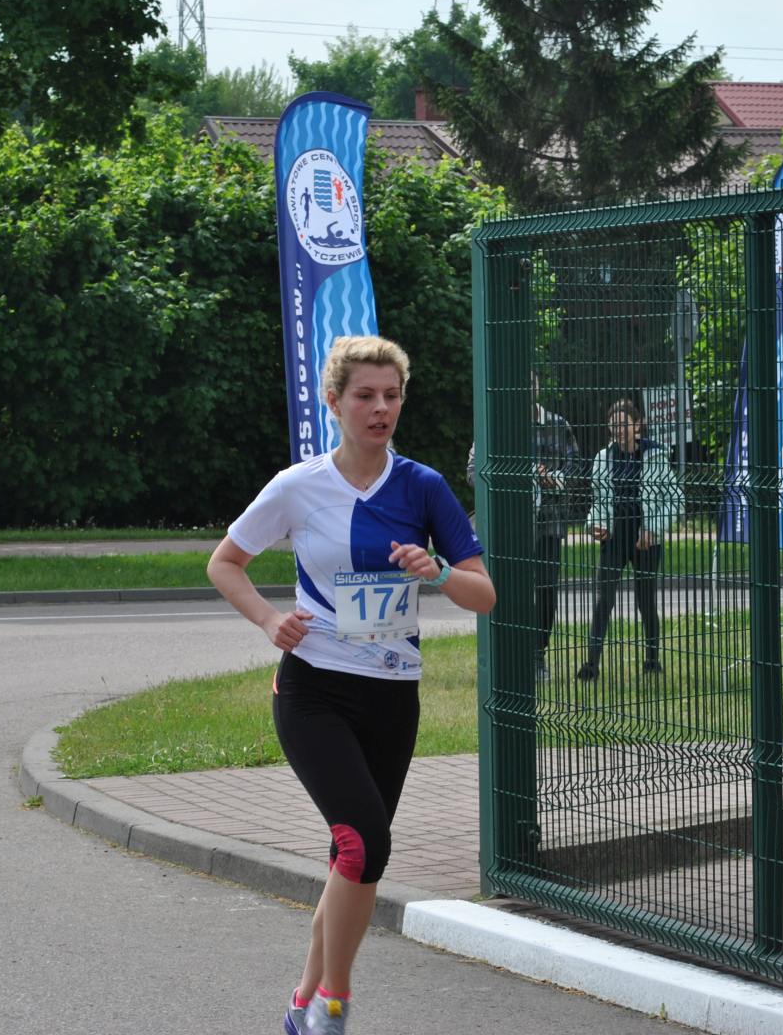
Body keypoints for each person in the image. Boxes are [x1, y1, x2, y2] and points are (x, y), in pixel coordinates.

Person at [207, 335, 494, 1035]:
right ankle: (333, 1004)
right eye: (365, 395)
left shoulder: (421, 486)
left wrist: (436, 571)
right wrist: (269, 620)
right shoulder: (297, 486)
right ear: (334, 403)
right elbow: (225, 562)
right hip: (314, 688)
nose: (380, 408)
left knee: (353, 857)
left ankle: (301, 1003)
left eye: (391, 396)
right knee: (364, 844)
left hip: (392, 694)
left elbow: (484, 595)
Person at [466, 370, 580, 681]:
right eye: (521, 383)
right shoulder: (496, 424)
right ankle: (507, 654)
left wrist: (552, 479)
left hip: (549, 522)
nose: (527, 388)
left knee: (546, 590)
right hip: (509, 525)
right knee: (505, 590)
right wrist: (507, 482)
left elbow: (575, 470)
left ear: (538, 387)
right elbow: (473, 471)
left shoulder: (558, 425)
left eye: (531, 383)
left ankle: (537, 655)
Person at [578, 397, 678, 680]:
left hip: (646, 538)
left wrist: (653, 529)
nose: (619, 430)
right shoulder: (603, 458)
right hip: (614, 538)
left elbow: (674, 500)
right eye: (614, 425)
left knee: (645, 600)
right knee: (604, 600)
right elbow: (598, 501)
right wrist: (595, 525)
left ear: (638, 425)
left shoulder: (656, 456)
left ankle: (652, 660)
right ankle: (591, 664)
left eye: (625, 424)